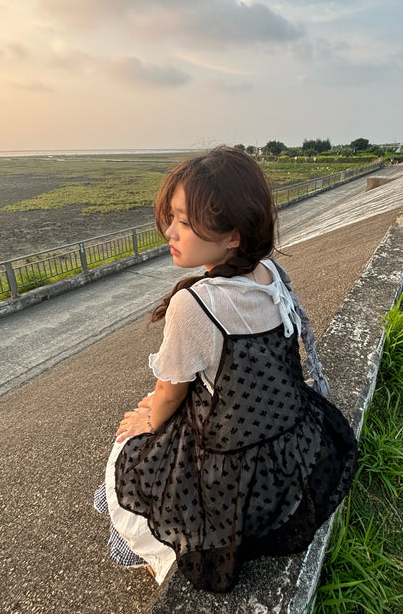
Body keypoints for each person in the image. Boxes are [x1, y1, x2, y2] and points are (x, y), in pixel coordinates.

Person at [94, 146, 358, 593]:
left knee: (128, 453)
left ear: (232, 235)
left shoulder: (195, 304)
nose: (170, 232)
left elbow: (170, 391)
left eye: (184, 221)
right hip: (290, 452)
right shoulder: (269, 272)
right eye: (171, 217)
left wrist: (147, 422)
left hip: (231, 477)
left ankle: (155, 555)